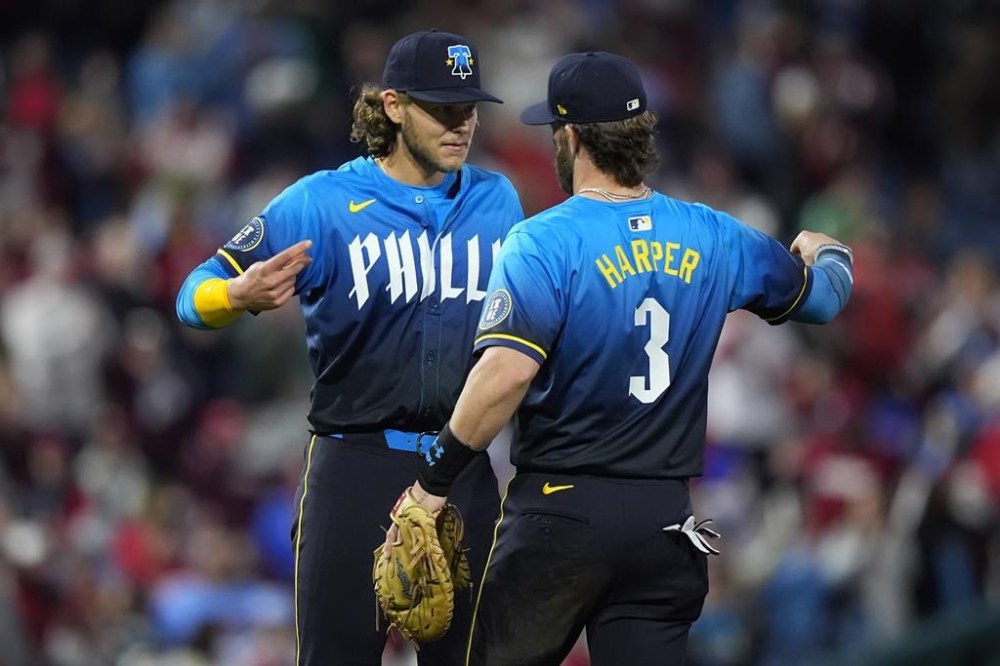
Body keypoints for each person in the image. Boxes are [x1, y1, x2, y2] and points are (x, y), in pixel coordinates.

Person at [384, 52, 854, 665]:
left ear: (572, 135)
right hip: (668, 520)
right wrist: (831, 249)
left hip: (563, 510)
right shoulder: (712, 233)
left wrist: (431, 484)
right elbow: (823, 300)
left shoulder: (543, 241)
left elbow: (506, 373)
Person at [175, 29, 523, 665]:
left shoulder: (497, 199)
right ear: (392, 105)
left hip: (463, 466)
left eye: (468, 107)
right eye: (442, 108)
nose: (461, 124)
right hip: (354, 465)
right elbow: (190, 295)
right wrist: (235, 297)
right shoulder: (321, 202)